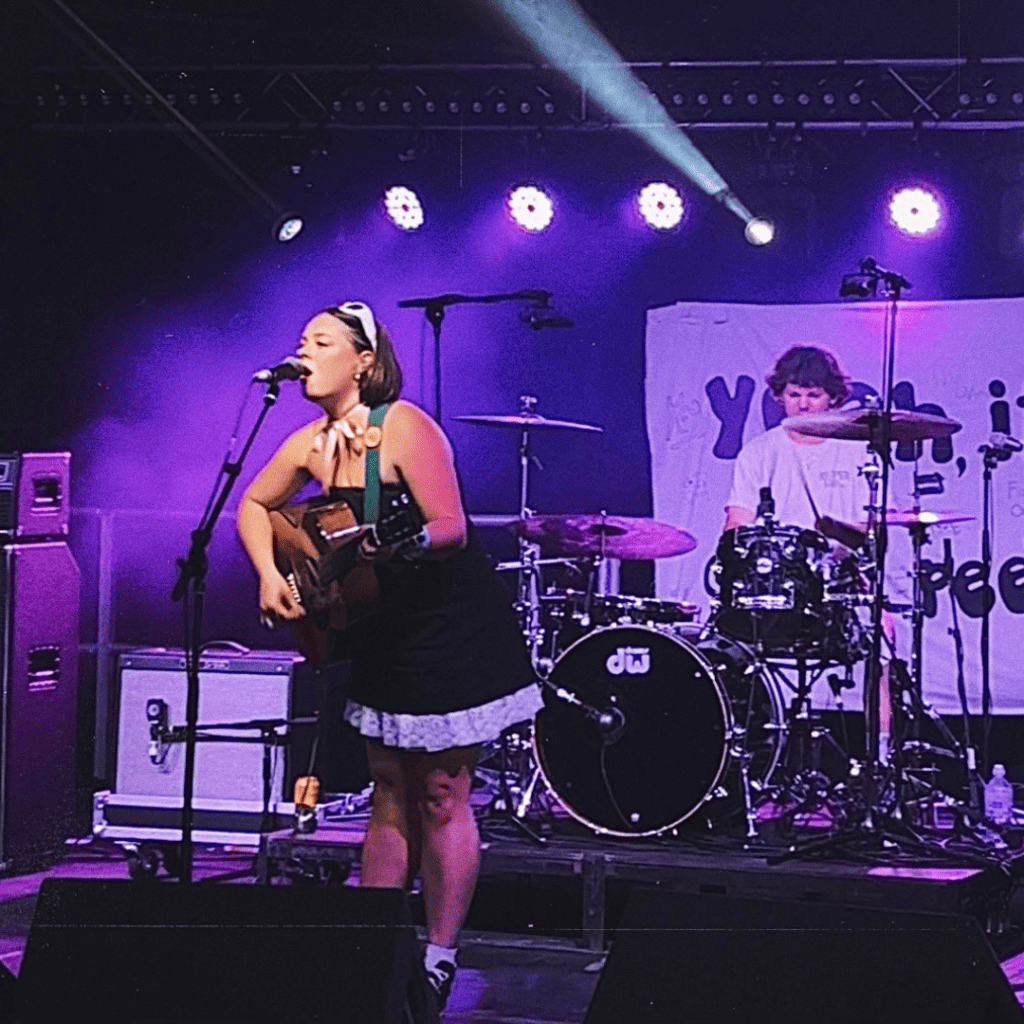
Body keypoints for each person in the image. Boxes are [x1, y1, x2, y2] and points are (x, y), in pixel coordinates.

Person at [237, 301, 543, 1012]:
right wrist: (269, 574)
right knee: (385, 789)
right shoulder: (310, 441)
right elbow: (255, 504)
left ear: (363, 362)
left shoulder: (402, 426)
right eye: (300, 339)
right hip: (380, 624)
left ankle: (438, 954)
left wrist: (386, 547)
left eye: (319, 341)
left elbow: (451, 526)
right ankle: (374, 944)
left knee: (440, 792)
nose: (302, 351)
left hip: (444, 628)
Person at [722, 344, 893, 760]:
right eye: (795, 394)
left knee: (884, 637)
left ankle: (882, 758)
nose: (803, 404)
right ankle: (743, 762)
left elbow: (875, 529)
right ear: (779, 395)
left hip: (839, 583)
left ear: (833, 398)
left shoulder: (858, 451)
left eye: (813, 395)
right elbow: (737, 523)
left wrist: (837, 538)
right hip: (776, 584)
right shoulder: (759, 452)